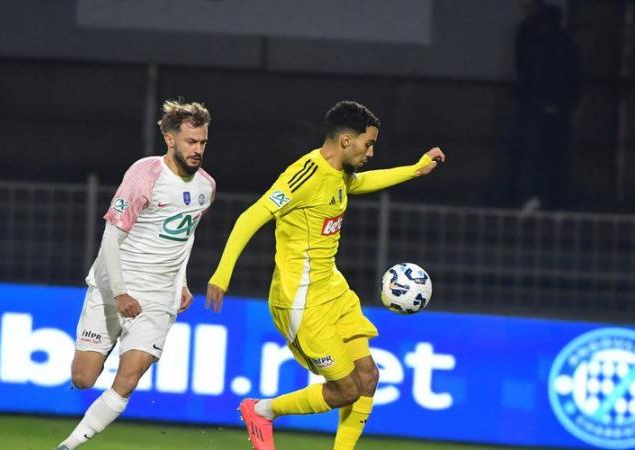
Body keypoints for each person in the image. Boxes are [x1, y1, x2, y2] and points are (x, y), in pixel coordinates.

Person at [205, 101, 445, 450]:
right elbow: (251, 216)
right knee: (346, 389)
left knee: (369, 377)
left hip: (332, 288)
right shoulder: (304, 175)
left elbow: (358, 183)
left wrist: (416, 170)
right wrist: (222, 274)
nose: (371, 152)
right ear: (346, 141)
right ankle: (262, 410)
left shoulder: (340, 174)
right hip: (300, 301)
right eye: (369, 144)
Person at [55, 99, 215, 450]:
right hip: (114, 285)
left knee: (129, 378)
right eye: (191, 141)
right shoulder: (145, 174)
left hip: (159, 296)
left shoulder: (206, 187)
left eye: (203, 142)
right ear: (171, 139)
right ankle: (108, 339)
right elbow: (112, 237)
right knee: (83, 378)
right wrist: (121, 293)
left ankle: (69, 445)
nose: (198, 149)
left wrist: (183, 281)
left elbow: (185, 236)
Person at [504, 1, 580, 211]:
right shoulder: (564, 43)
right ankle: (552, 199)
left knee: (531, 154)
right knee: (553, 157)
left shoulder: (535, 41)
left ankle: (529, 196)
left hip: (535, 106)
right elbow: (572, 80)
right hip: (551, 108)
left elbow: (528, 72)